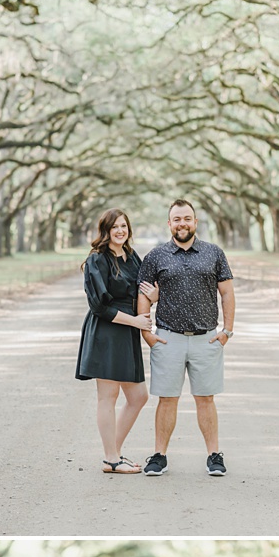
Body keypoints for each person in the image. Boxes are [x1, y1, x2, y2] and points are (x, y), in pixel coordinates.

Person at [136, 200, 235, 477]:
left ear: (195, 222)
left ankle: (214, 456)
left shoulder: (214, 253)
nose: (182, 223)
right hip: (168, 339)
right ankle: (159, 456)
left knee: (206, 399)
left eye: (187, 218)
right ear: (169, 224)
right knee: (167, 399)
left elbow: (227, 292)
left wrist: (226, 331)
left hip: (206, 339)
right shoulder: (155, 257)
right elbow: (143, 296)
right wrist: (148, 334)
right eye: (177, 219)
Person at [75, 209, 159, 474]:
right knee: (108, 397)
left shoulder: (132, 257)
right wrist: (134, 321)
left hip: (128, 333)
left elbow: (144, 290)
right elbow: (99, 306)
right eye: (115, 227)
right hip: (107, 331)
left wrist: (154, 296)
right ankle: (111, 459)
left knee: (138, 396)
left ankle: (114, 453)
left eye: (124, 226)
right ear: (106, 231)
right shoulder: (96, 261)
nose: (120, 231)